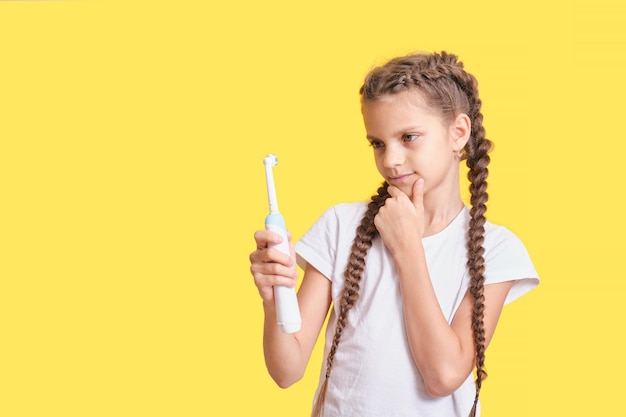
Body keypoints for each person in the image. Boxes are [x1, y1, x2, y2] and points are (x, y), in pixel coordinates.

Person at [249, 51, 539, 417]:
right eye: (378, 143)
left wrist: (407, 247)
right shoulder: (340, 226)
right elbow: (287, 370)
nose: (391, 160)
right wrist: (274, 298)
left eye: (409, 137)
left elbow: (444, 375)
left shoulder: (496, 250)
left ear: (458, 133)